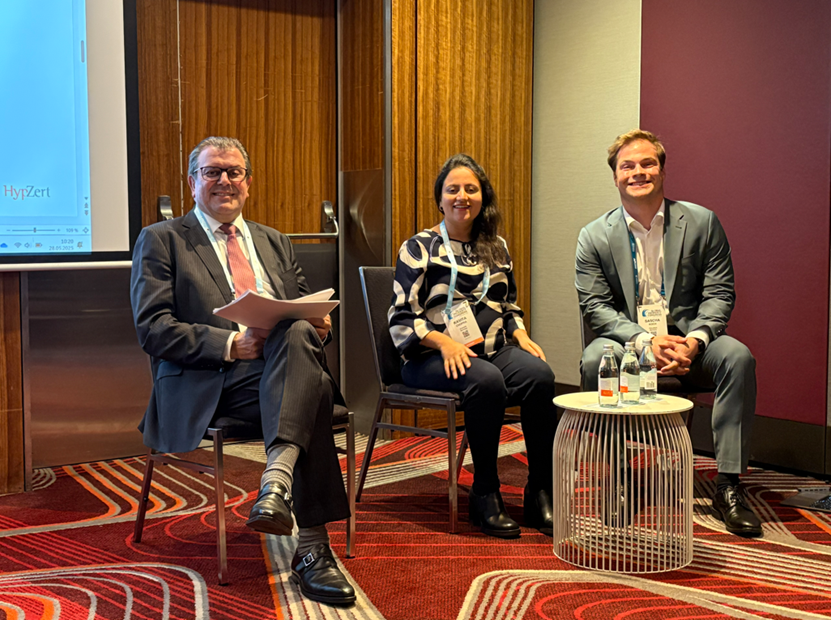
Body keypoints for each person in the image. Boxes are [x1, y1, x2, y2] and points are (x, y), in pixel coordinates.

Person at [130, 137, 355, 605]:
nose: (224, 181)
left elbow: (302, 314)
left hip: (279, 373)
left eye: (234, 172)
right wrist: (231, 344)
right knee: (310, 389)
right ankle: (312, 547)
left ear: (248, 183)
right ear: (192, 182)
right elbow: (153, 328)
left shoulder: (274, 241)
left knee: (299, 342)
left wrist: (321, 325)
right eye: (212, 172)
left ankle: (276, 483)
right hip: (212, 381)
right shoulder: (162, 239)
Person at [575, 129, 760, 537]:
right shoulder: (594, 235)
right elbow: (596, 307)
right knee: (593, 360)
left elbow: (719, 293)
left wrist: (695, 341)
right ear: (615, 176)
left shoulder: (702, 222)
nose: (638, 172)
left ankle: (729, 484)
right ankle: (617, 475)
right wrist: (645, 341)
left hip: (690, 339)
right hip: (627, 340)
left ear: (662, 170)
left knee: (737, 357)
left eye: (648, 163)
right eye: (627, 166)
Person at [389, 153, 557, 539]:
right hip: (429, 356)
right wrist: (443, 343)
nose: (462, 196)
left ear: (483, 197)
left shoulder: (495, 247)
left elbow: (508, 304)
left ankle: (539, 491)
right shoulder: (419, 247)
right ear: (440, 198)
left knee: (540, 376)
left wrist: (520, 334)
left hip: (492, 350)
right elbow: (401, 316)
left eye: (470, 189)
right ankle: (485, 492)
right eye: (453, 189)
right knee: (486, 380)